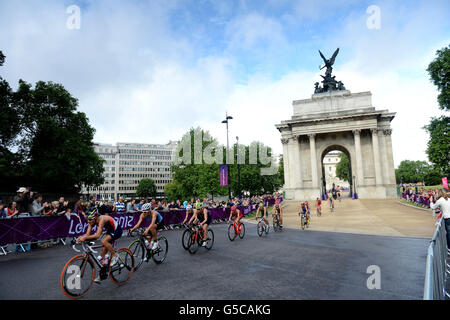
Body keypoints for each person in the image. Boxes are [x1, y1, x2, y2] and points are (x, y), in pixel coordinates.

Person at [77, 209, 122, 283]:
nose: (88, 221)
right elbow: (87, 234)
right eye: (87, 220)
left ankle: (115, 255)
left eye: (90, 219)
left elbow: (97, 235)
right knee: (102, 255)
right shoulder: (92, 221)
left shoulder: (101, 219)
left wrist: (85, 238)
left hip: (117, 230)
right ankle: (103, 274)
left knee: (103, 241)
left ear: (95, 218)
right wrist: (80, 237)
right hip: (110, 231)